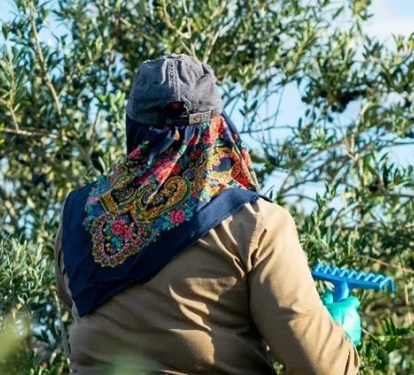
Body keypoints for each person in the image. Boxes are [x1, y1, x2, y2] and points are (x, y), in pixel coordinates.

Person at [54, 53, 360, 374]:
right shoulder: (256, 224)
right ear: (218, 127)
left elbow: (73, 299)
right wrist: (339, 336)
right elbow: (322, 368)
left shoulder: (80, 213)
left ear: (134, 127)